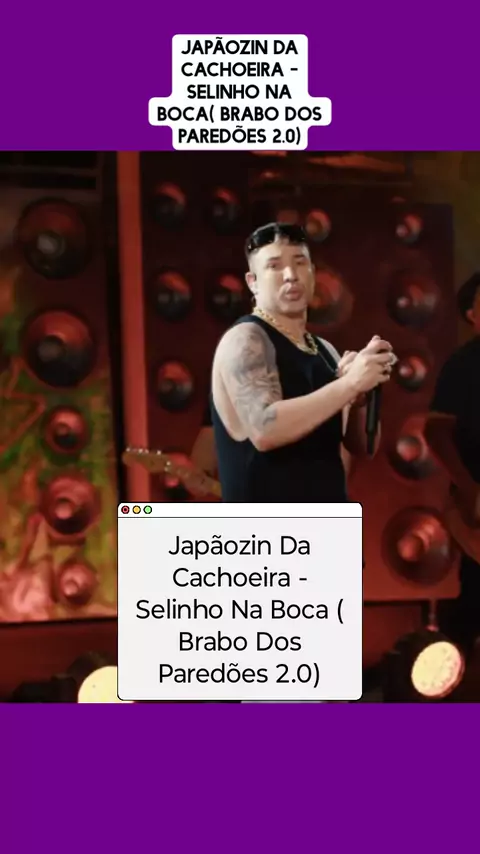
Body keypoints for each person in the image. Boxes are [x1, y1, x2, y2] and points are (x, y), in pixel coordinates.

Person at [209, 222, 397, 504]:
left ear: (312, 272)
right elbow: (264, 429)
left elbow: (363, 447)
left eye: (300, 263)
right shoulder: (246, 338)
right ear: (253, 281)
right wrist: (348, 384)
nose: (291, 275)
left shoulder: (324, 350)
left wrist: (359, 399)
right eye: (274, 266)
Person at [424, 272, 480, 655]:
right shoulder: (463, 366)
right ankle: (449, 670)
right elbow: (437, 432)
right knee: (475, 591)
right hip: (476, 496)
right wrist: (468, 486)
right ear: (472, 314)